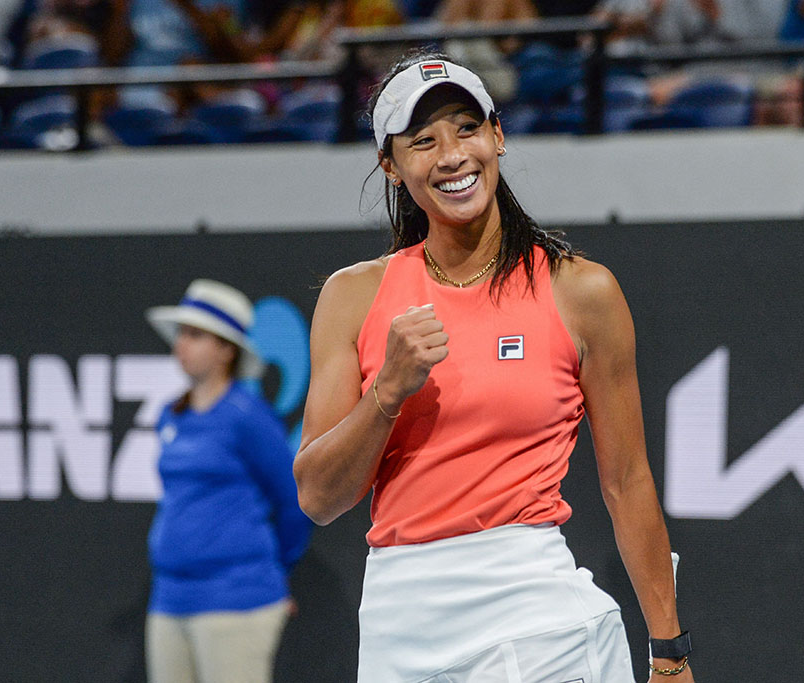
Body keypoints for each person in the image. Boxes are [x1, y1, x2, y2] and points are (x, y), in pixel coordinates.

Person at [294, 50, 695, 681]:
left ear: (498, 136)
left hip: (537, 626)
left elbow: (627, 483)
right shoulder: (352, 297)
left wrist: (670, 653)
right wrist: (387, 394)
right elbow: (318, 496)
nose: (451, 154)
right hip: (398, 624)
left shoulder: (581, 291)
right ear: (391, 166)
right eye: (423, 140)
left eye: (467, 127)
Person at [144, 279, 312, 683]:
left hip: (237, 599)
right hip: (169, 598)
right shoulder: (172, 415)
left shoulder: (248, 417)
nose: (180, 344)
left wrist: (273, 568)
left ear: (225, 350)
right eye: (181, 333)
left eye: (195, 335)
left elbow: (294, 501)